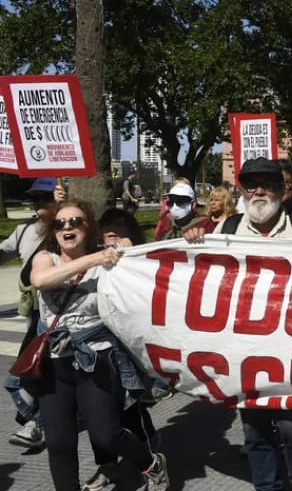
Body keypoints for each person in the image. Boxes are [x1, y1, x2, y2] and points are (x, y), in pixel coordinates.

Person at [185, 157, 292, 491]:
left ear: (280, 188)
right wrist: (191, 243)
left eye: (267, 184)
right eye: (251, 185)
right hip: (246, 350)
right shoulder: (227, 229)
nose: (259, 191)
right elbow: (204, 275)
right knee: (255, 429)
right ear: (242, 190)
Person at [30, 198, 170, 491]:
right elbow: (41, 281)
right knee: (58, 441)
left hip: (96, 359)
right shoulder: (46, 258)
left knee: (106, 435)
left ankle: (150, 463)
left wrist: (129, 251)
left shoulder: (109, 262)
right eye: (60, 223)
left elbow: (146, 270)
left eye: (76, 222)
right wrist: (95, 258)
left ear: (89, 228)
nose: (67, 227)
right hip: (53, 362)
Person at [83, 208, 162, 491]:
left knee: (131, 409)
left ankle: (150, 459)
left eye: (116, 237)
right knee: (99, 415)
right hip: (97, 349)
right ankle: (107, 465)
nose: (109, 244)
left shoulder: (142, 265)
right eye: (104, 238)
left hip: (129, 349)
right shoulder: (92, 261)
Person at [4, 177, 57, 450]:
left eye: (45, 198)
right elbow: (6, 251)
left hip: (56, 313)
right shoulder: (25, 230)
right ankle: (38, 420)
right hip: (34, 312)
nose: (39, 204)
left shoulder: (66, 229)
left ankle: (36, 423)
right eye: (36, 198)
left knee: (30, 372)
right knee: (35, 369)